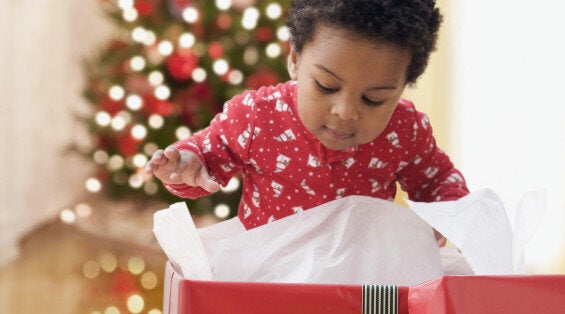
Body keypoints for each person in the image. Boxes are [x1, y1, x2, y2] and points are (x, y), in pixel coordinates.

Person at [145, 0, 469, 244]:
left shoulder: (405, 130)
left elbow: (438, 181)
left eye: (374, 99)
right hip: (267, 275)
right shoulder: (257, 116)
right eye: (326, 86)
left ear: (402, 87)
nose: (345, 111)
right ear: (296, 60)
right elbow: (206, 156)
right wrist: (187, 163)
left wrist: (447, 217)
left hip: (359, 279)